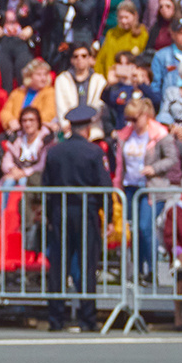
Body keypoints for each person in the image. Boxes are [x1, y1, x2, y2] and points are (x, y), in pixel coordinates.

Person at [42, 106, 111, 331]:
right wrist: (108, 216)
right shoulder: (94, 152)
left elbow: (45, 186)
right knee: (87, 265)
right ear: (88, 128)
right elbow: (104, 187)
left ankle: (55, 318)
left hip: (60, 211)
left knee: (58, 266)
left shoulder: (54, 151)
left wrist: (48, 213)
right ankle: (87, 318)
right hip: (85, 211)